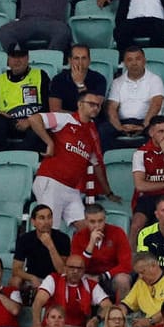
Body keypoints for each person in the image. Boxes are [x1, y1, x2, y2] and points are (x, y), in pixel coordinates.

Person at [29, 92, 109, 228]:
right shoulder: (65, 119)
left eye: (98, 106)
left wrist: (108, 191)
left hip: (72, 188)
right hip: (52, 181)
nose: (95, 108)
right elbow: (34, 119)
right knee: (49, 229)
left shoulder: (92, 133)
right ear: (79, 104)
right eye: (91, 104)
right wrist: (50, 143)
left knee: (85, 229)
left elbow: (96, 164)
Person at [105, 47, 164, 150]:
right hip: (122, 122)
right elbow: (111, 108)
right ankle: (110, 162)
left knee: (157, 131)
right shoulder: (117, 82)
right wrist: (119, 127)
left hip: (147, 121)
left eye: (138, 59)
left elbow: (156, 104)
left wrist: (143, 126)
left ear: (144, 61)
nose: (134, 63)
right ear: (124, 63)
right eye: (129, 60)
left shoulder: (154, 80)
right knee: (102, 130)